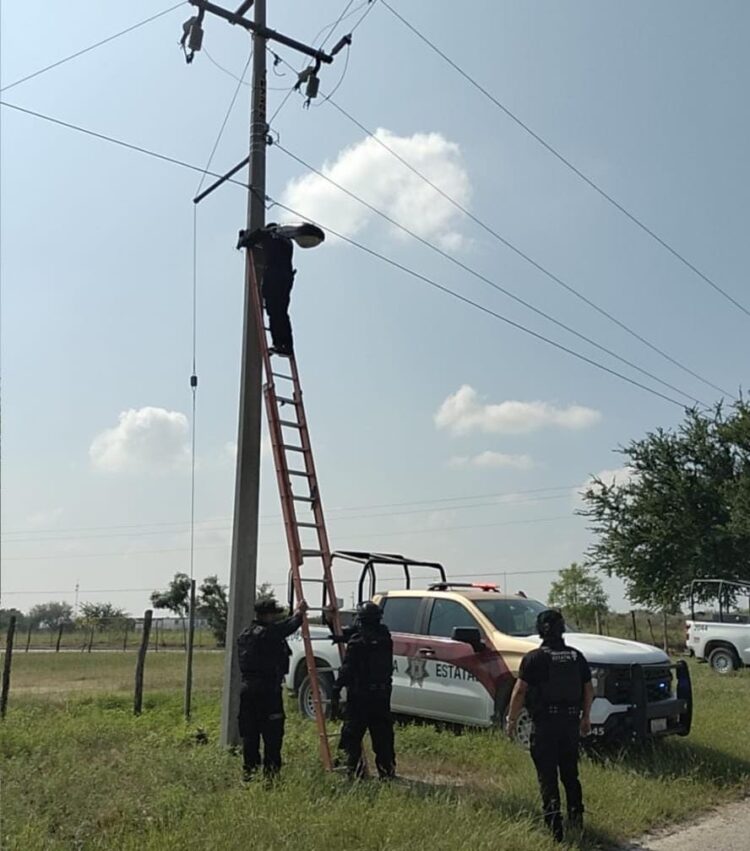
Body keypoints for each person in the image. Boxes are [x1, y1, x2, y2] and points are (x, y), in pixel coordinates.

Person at [506, 609, 593, 843]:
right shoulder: (576, 656)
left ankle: (554, 828)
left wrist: (511, 720)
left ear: (540, 630)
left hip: (545, 725)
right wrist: (586, 717)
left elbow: (520, 691)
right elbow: (588, 688)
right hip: (570, 724)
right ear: (562, 629)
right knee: (570, 774)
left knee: (547, 777)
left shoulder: (534, 659)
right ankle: (576, 819)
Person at [237, 596, 308, 780]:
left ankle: (250, 774)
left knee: (250, 735)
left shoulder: (245, 634)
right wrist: (299, 613)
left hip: (248, 690)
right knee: (273, 735)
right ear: (267, 615)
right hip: (268, 691)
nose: (275, 617)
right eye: (273, 614)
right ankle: (271, 777)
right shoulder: (268, 634)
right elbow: (287, 627)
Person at [331, 601, 396, 779]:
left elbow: (347, 669)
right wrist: (342, 636)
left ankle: (348, 770)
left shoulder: (357, 643)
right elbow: (363, 633)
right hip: (382, 695)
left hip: (360, 696)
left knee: (351, 735)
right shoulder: (385, 637)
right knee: (383, 736)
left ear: (361, 620)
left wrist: (336, 688)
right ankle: (387, 772)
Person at [238, 223, 296, 356]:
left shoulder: (266, 233)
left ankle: (279, 344)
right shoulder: (288, 241)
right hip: (287, 278)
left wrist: (243, 237)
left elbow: (247, 242)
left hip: (274, 277)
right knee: (282, 312)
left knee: (273, 311)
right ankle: (287, 346)